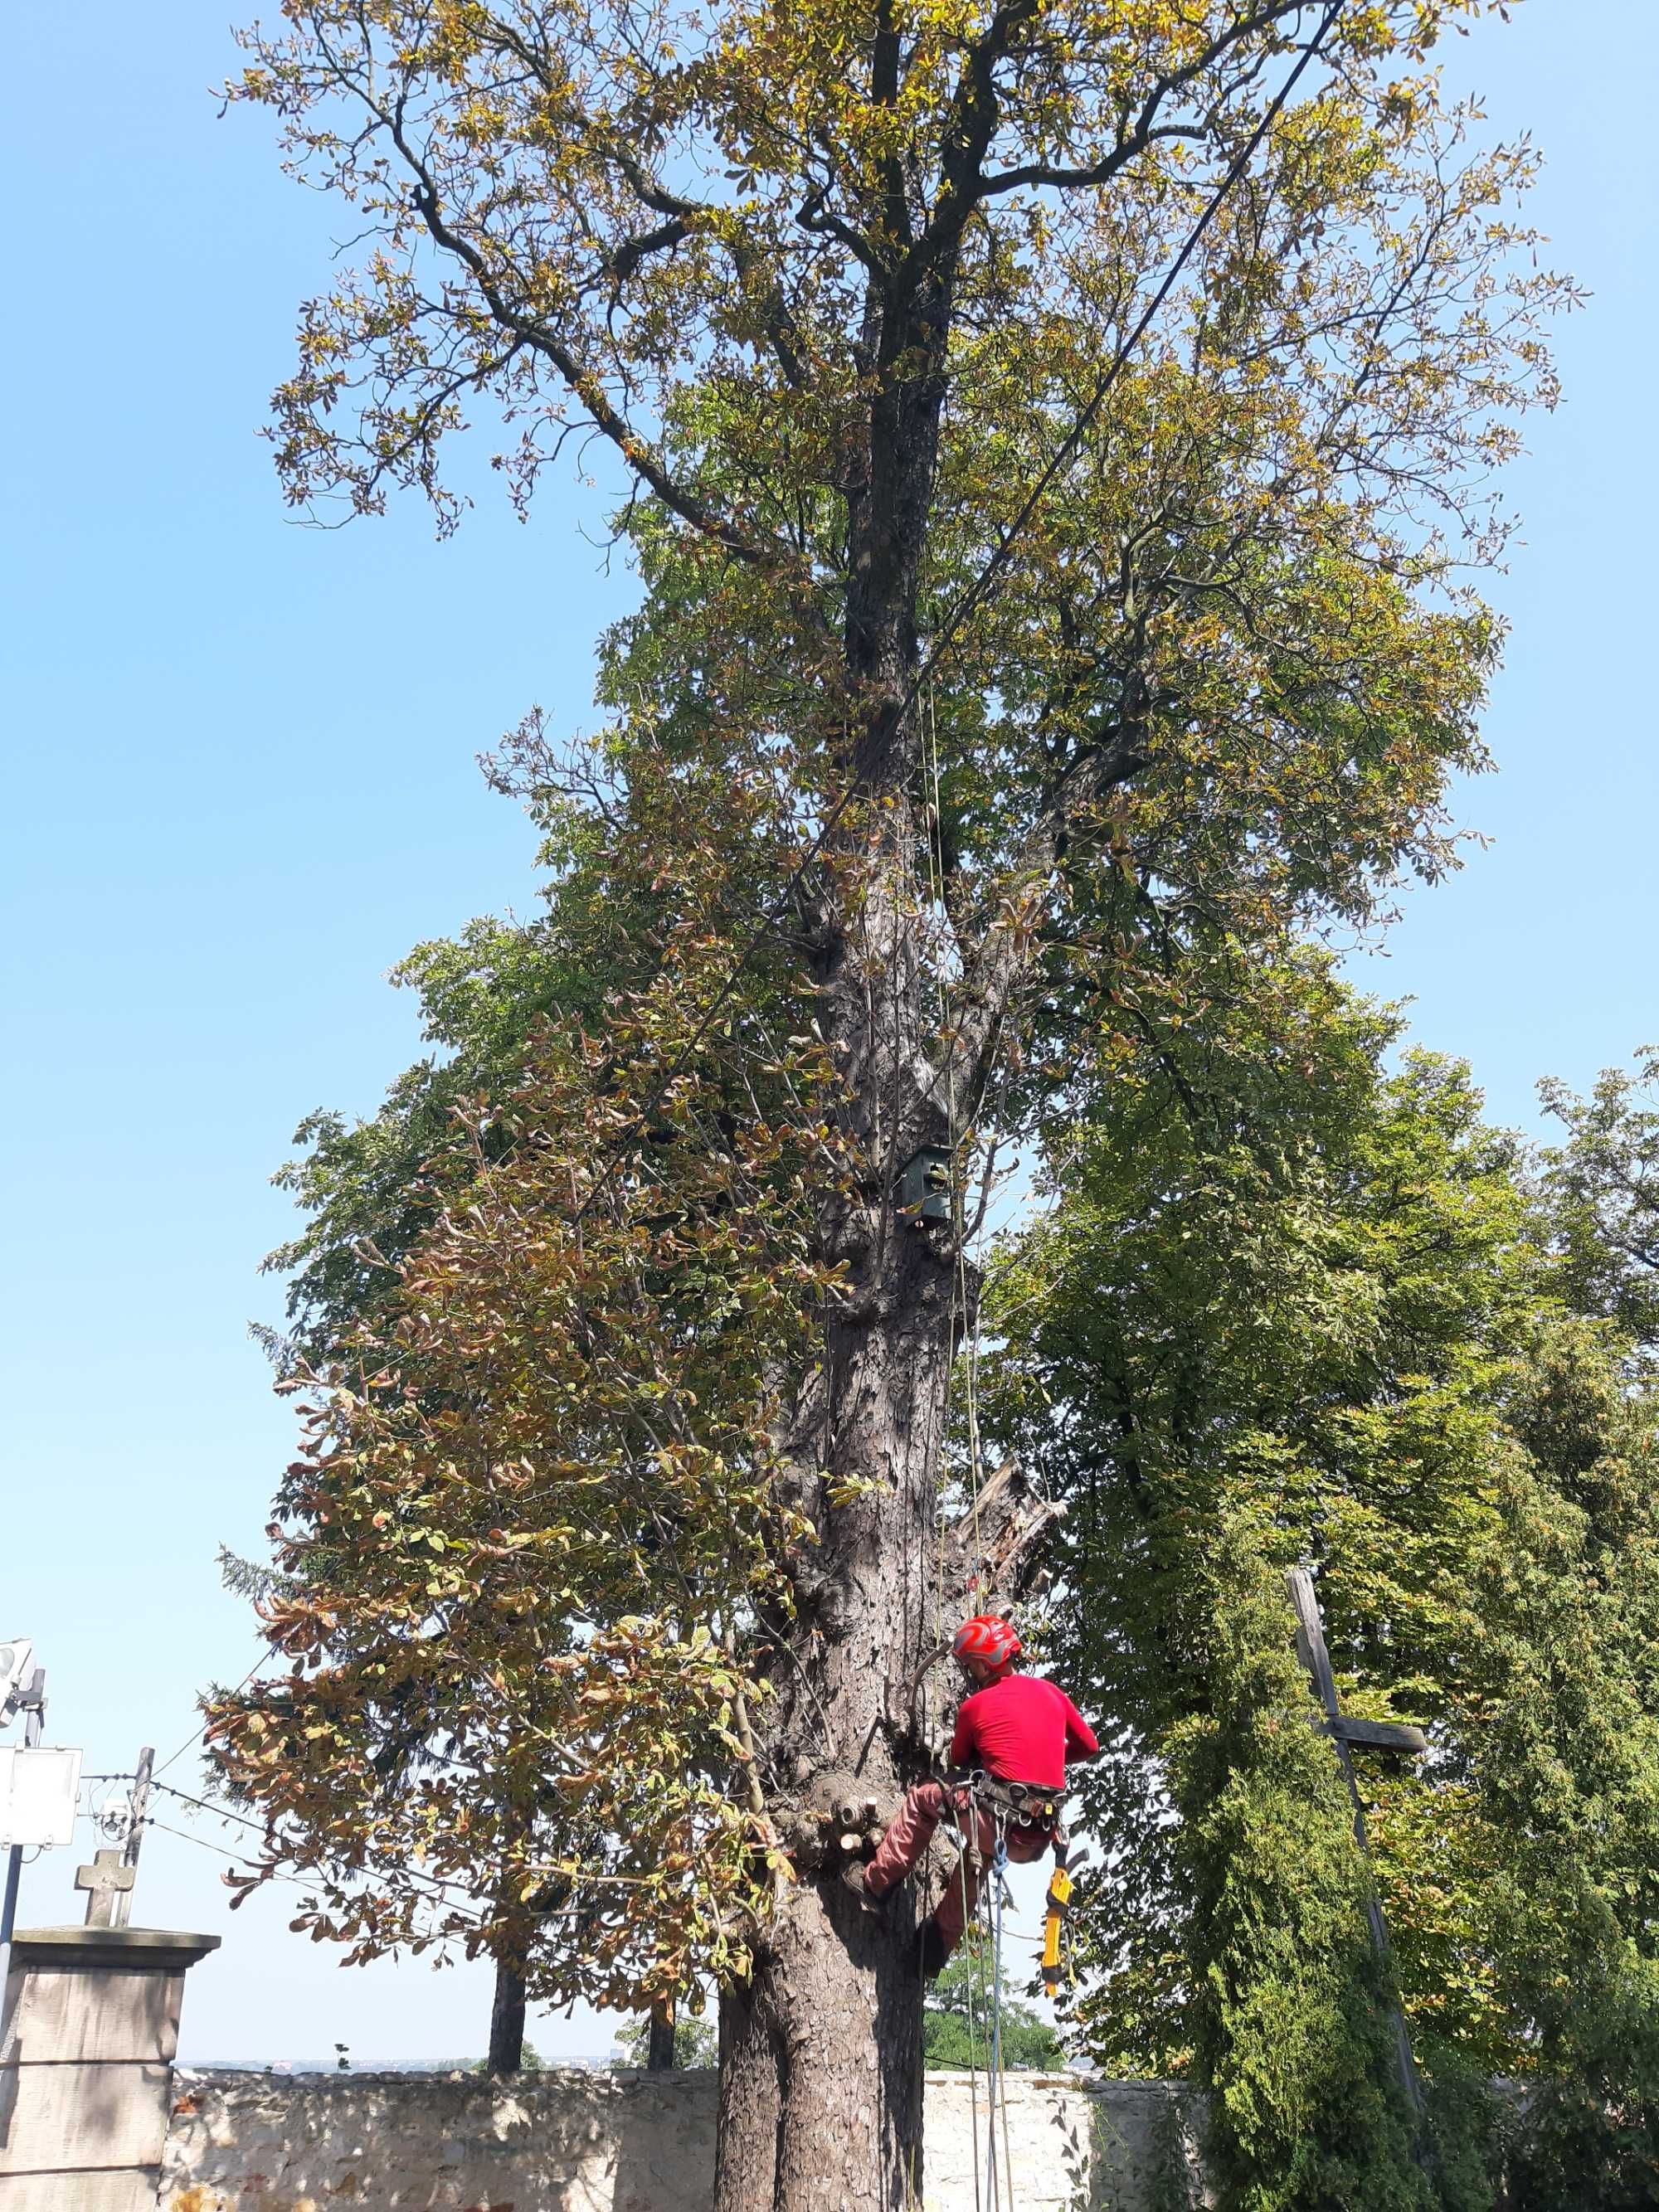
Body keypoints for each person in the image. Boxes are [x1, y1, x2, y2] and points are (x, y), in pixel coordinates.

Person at [848, 1614, 1098, 1975]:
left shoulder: (974, 1707)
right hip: (1038, 1835)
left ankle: (876, 1882)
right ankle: (931, 1952)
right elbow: (1088, 1745)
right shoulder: (1051, 1692)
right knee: (975, 1861)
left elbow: (960, 1761)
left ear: (983, 1663)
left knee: (923, 1797)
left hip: (996, 1823)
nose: (969, 1672)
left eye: (970, 1665)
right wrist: (1046, 1757)